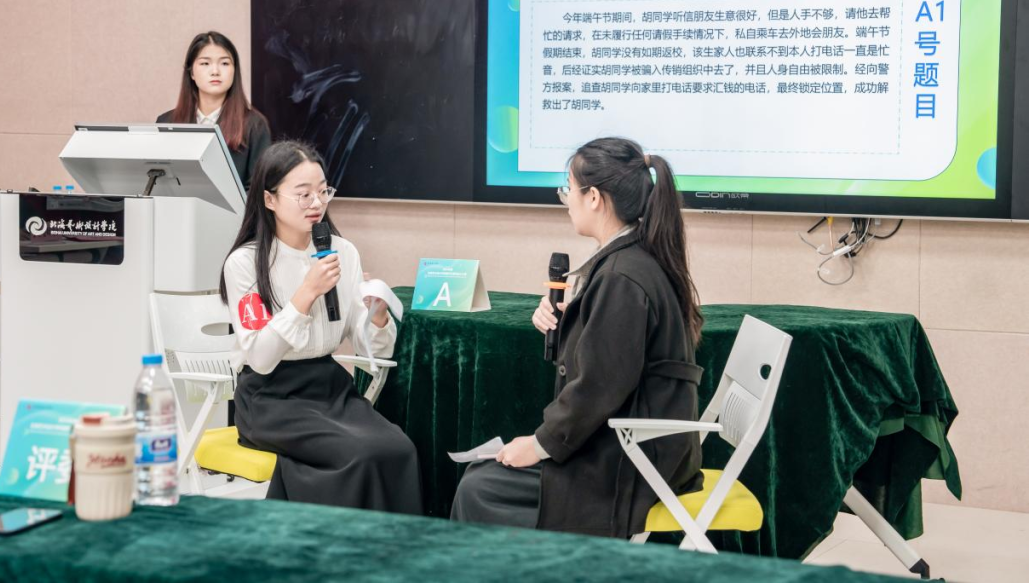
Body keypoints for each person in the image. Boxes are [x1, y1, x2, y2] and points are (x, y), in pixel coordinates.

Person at [451, 137, 705, 538]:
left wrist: (539, 444)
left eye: (568, 188)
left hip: (632, 462)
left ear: (594, 198)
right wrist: (572, 319)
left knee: (480, 488)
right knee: (483, 477)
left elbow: (598, 386)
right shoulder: (632, 260)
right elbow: (611, 356)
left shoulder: (621, 276)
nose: (566, 200)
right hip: (642, 448)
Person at [219, 140, 421, 513]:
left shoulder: (343, 251)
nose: (317, 203)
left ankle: (393, 544)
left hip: (330, 388)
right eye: (303, 194)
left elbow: (372, 350)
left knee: (399, 448)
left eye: (323, 191)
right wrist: (306, 293)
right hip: (269, 398)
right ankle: (334, 543)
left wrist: (377, 317)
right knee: (358, 453)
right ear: (269, 199)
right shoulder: (244, 263)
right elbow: (260, 358)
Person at [158, 31, 271, 190]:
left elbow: (258, 189)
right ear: (191, 72)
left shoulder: (254, 125)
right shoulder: (166, 122)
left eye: (224, 63)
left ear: (234, 70)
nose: (215, 71)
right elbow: (157, 182)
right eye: (205, 63)